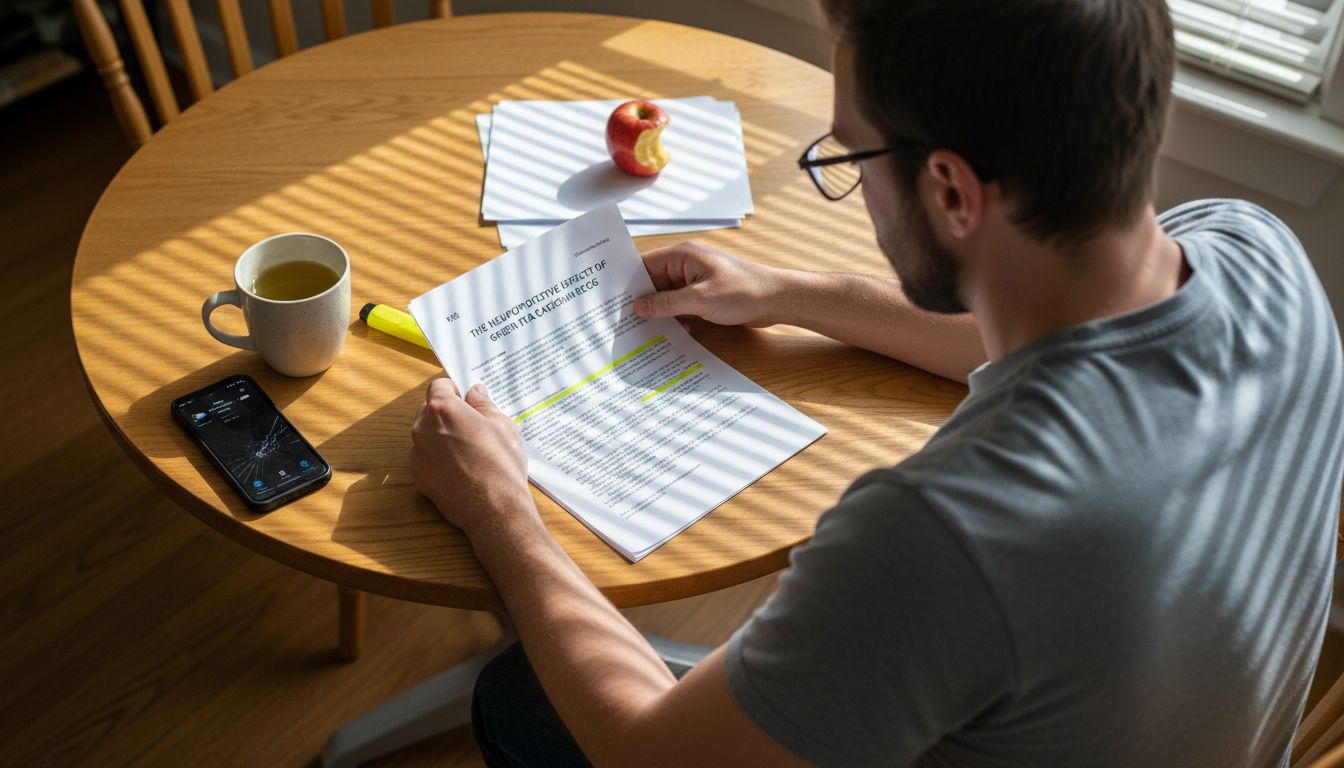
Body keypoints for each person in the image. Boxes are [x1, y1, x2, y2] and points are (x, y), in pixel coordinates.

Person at [408, 0, 1344, 764]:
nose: (847, 179)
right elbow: (1057, 331)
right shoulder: (1258, 251)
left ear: (950, 191)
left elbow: (649, 753)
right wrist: (792, 294)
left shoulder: (946, 537)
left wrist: (500, 508)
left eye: (848, 157)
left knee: (521, 699)